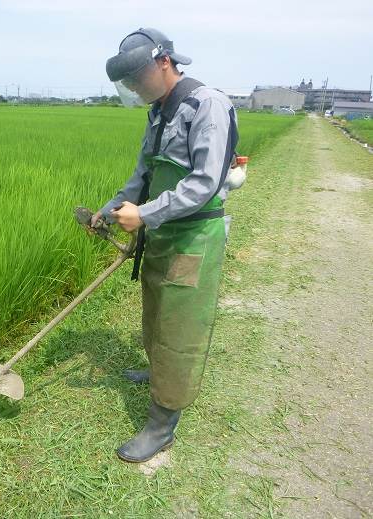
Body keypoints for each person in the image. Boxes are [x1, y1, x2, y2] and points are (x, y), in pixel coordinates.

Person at [90, 27, 239, 463]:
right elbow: (144, 174)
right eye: (128, 83)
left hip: (192, 235)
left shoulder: (206, 105)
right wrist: (112, 207)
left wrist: (145, 215)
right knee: (155, 310)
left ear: (163, 62)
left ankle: (162, 424)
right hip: (161, 233)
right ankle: (157, 372)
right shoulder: (157, 112)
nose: (135, 88)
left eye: (138, 78)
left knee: (178, 327)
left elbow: (204, 181)